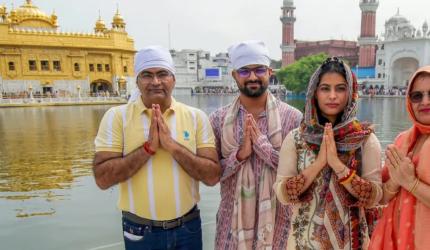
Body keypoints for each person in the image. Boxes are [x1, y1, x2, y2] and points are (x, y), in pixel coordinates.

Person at [93, 46, 221, 250]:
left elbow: (212, 177)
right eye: (147, 75)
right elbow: (102, 179)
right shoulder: (117, 118)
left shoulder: (195, 117)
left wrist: (173, 147)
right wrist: (147, 149)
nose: (155, 82)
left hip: (187, 228)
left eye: (162, 74)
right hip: (140, 232)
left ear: (173, 79)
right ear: (137, 81)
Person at [273, 57, 383, 249]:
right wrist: (318, 165)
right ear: (314, 93)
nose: (332, 96)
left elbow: (374, 197)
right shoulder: (297, 139)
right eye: (325, 88)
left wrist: (338, 166)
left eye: (340, 88)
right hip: (303, 243)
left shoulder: (364, 140)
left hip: (352, 243)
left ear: (350, 92)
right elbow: (282, 194)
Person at [209, 40, 303, 249]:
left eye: (259, 70)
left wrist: (264, 148)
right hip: (230, 227)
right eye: (244, 71)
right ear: (234, 75)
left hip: (279, 226)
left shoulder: (293, 118)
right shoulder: (218, 119)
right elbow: (212, 176)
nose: (252, 77)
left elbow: (300, 177)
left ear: (270, 72)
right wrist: (239, 156)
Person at [369, 66, 430, 250]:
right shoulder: (402, 141)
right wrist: (396, 181)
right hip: (396, 239)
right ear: (409, 101)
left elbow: (408, 183)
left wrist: (411, 183)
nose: (425, 101)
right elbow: (383, 198)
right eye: (417, 96)